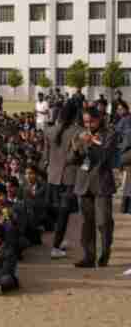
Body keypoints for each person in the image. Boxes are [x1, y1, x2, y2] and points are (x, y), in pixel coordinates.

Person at [70, 107, 116, 268]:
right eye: (86, 121)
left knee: (104, 222)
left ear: (99, 119)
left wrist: (91, 143)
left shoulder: (109, 134)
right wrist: (76, 149)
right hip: (83, 183)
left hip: (102, 183)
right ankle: (89, 257)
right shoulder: (80, 134)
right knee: (86, 222)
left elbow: (105, 158)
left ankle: (104, 255)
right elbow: (73, 161)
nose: (88, 124)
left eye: (91, 121)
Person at [45, 100, 79, 258]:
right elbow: (75, 158)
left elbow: (45, 156)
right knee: (64, 214)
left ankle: (60, 241)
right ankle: (56, 246)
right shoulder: (77, 132)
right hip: (69, 177)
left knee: (59, 213)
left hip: (53, 176)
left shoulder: (49, 131)